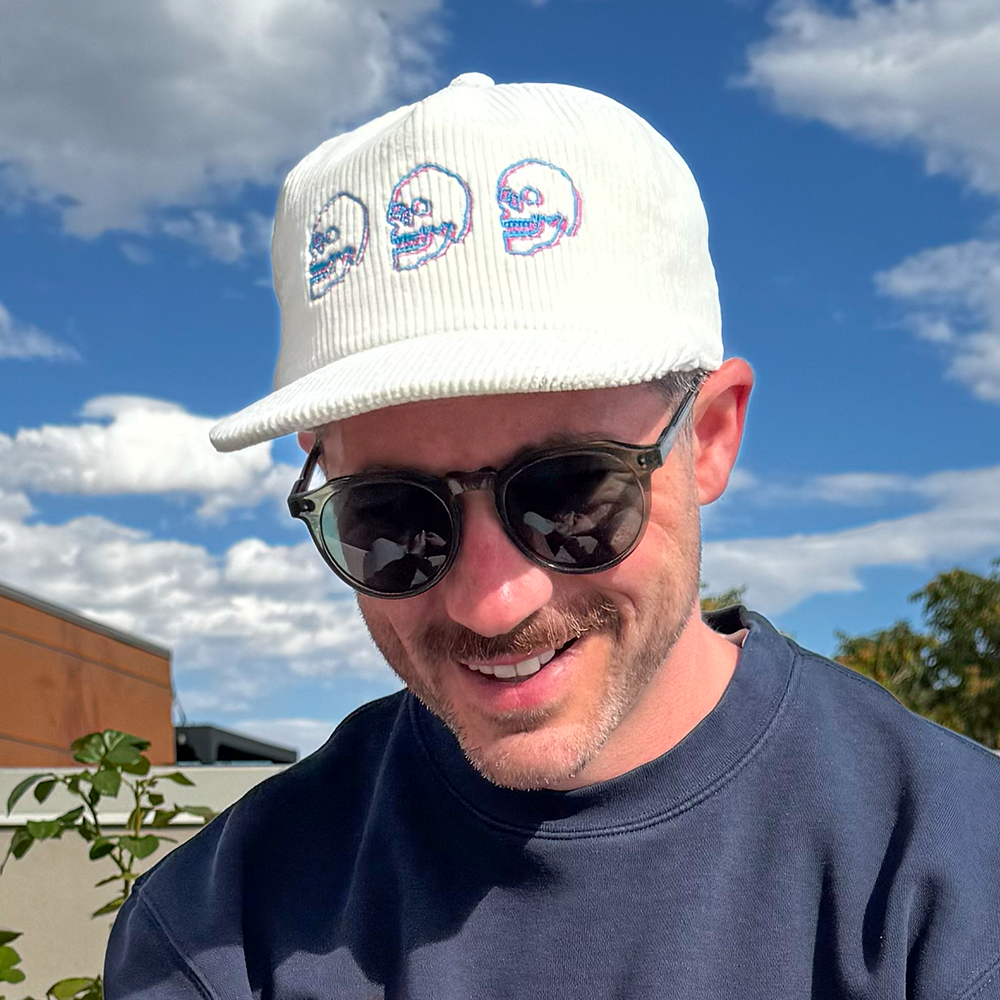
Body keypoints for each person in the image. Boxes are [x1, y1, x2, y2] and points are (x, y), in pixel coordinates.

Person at [105, 74, 1000, 1000]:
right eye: (394, 516)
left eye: (572, 492)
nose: (493, 599)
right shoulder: (223, 935)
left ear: (711, 437)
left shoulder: (958, 892)